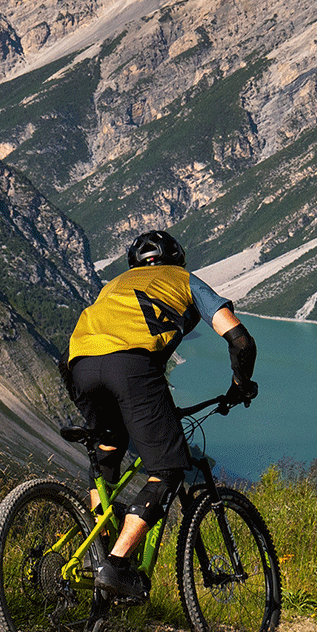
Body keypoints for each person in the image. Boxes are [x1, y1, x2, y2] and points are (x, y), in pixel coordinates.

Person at [63, 229, 258, 601]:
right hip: (132, 368)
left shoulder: (113, 286)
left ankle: (100, 549)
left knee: (109, 448)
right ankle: (116, 567)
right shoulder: (183, 279)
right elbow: (240, 340)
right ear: (177, 259)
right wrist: (241, 383)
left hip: (79, 367)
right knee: (169, 468)